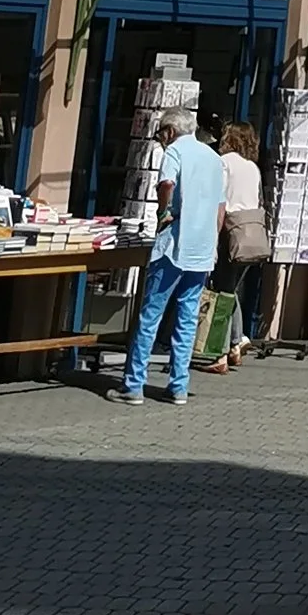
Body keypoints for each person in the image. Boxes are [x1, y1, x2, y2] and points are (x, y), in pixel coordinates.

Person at [120, 116, 225, 404]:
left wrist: (164, 212)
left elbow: (166, 183)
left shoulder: (175, 152)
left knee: (151, 314)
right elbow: (220, 209)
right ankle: (178, 386)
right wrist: (212, 240)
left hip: (174, 245)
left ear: (170, 131)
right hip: (202, 248)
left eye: (160, 134)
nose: (161, 139)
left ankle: (134, 385)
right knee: (187, 318)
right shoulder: (214, 159)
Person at [211, 122, 269, 371]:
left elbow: (219, 200)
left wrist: (213, 236)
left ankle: (222, 351)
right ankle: (237, 342)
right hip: (250, 235)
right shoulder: (253, 168)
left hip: (229, 232)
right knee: (231, 289)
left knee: (223, 292)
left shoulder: (224, 163)